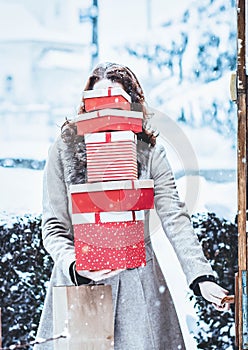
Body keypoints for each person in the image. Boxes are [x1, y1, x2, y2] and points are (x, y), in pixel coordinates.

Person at [36, 62, 229, 350]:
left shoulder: (150, 152)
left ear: (132, 106)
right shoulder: (64, 150)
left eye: (117, 101)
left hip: (138, 287)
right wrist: (76, 266)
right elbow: (53, 227)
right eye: (99, 102)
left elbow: (175, 217)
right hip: (82, 286)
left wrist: (201, 278)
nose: (107, 111)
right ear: (87, 105)